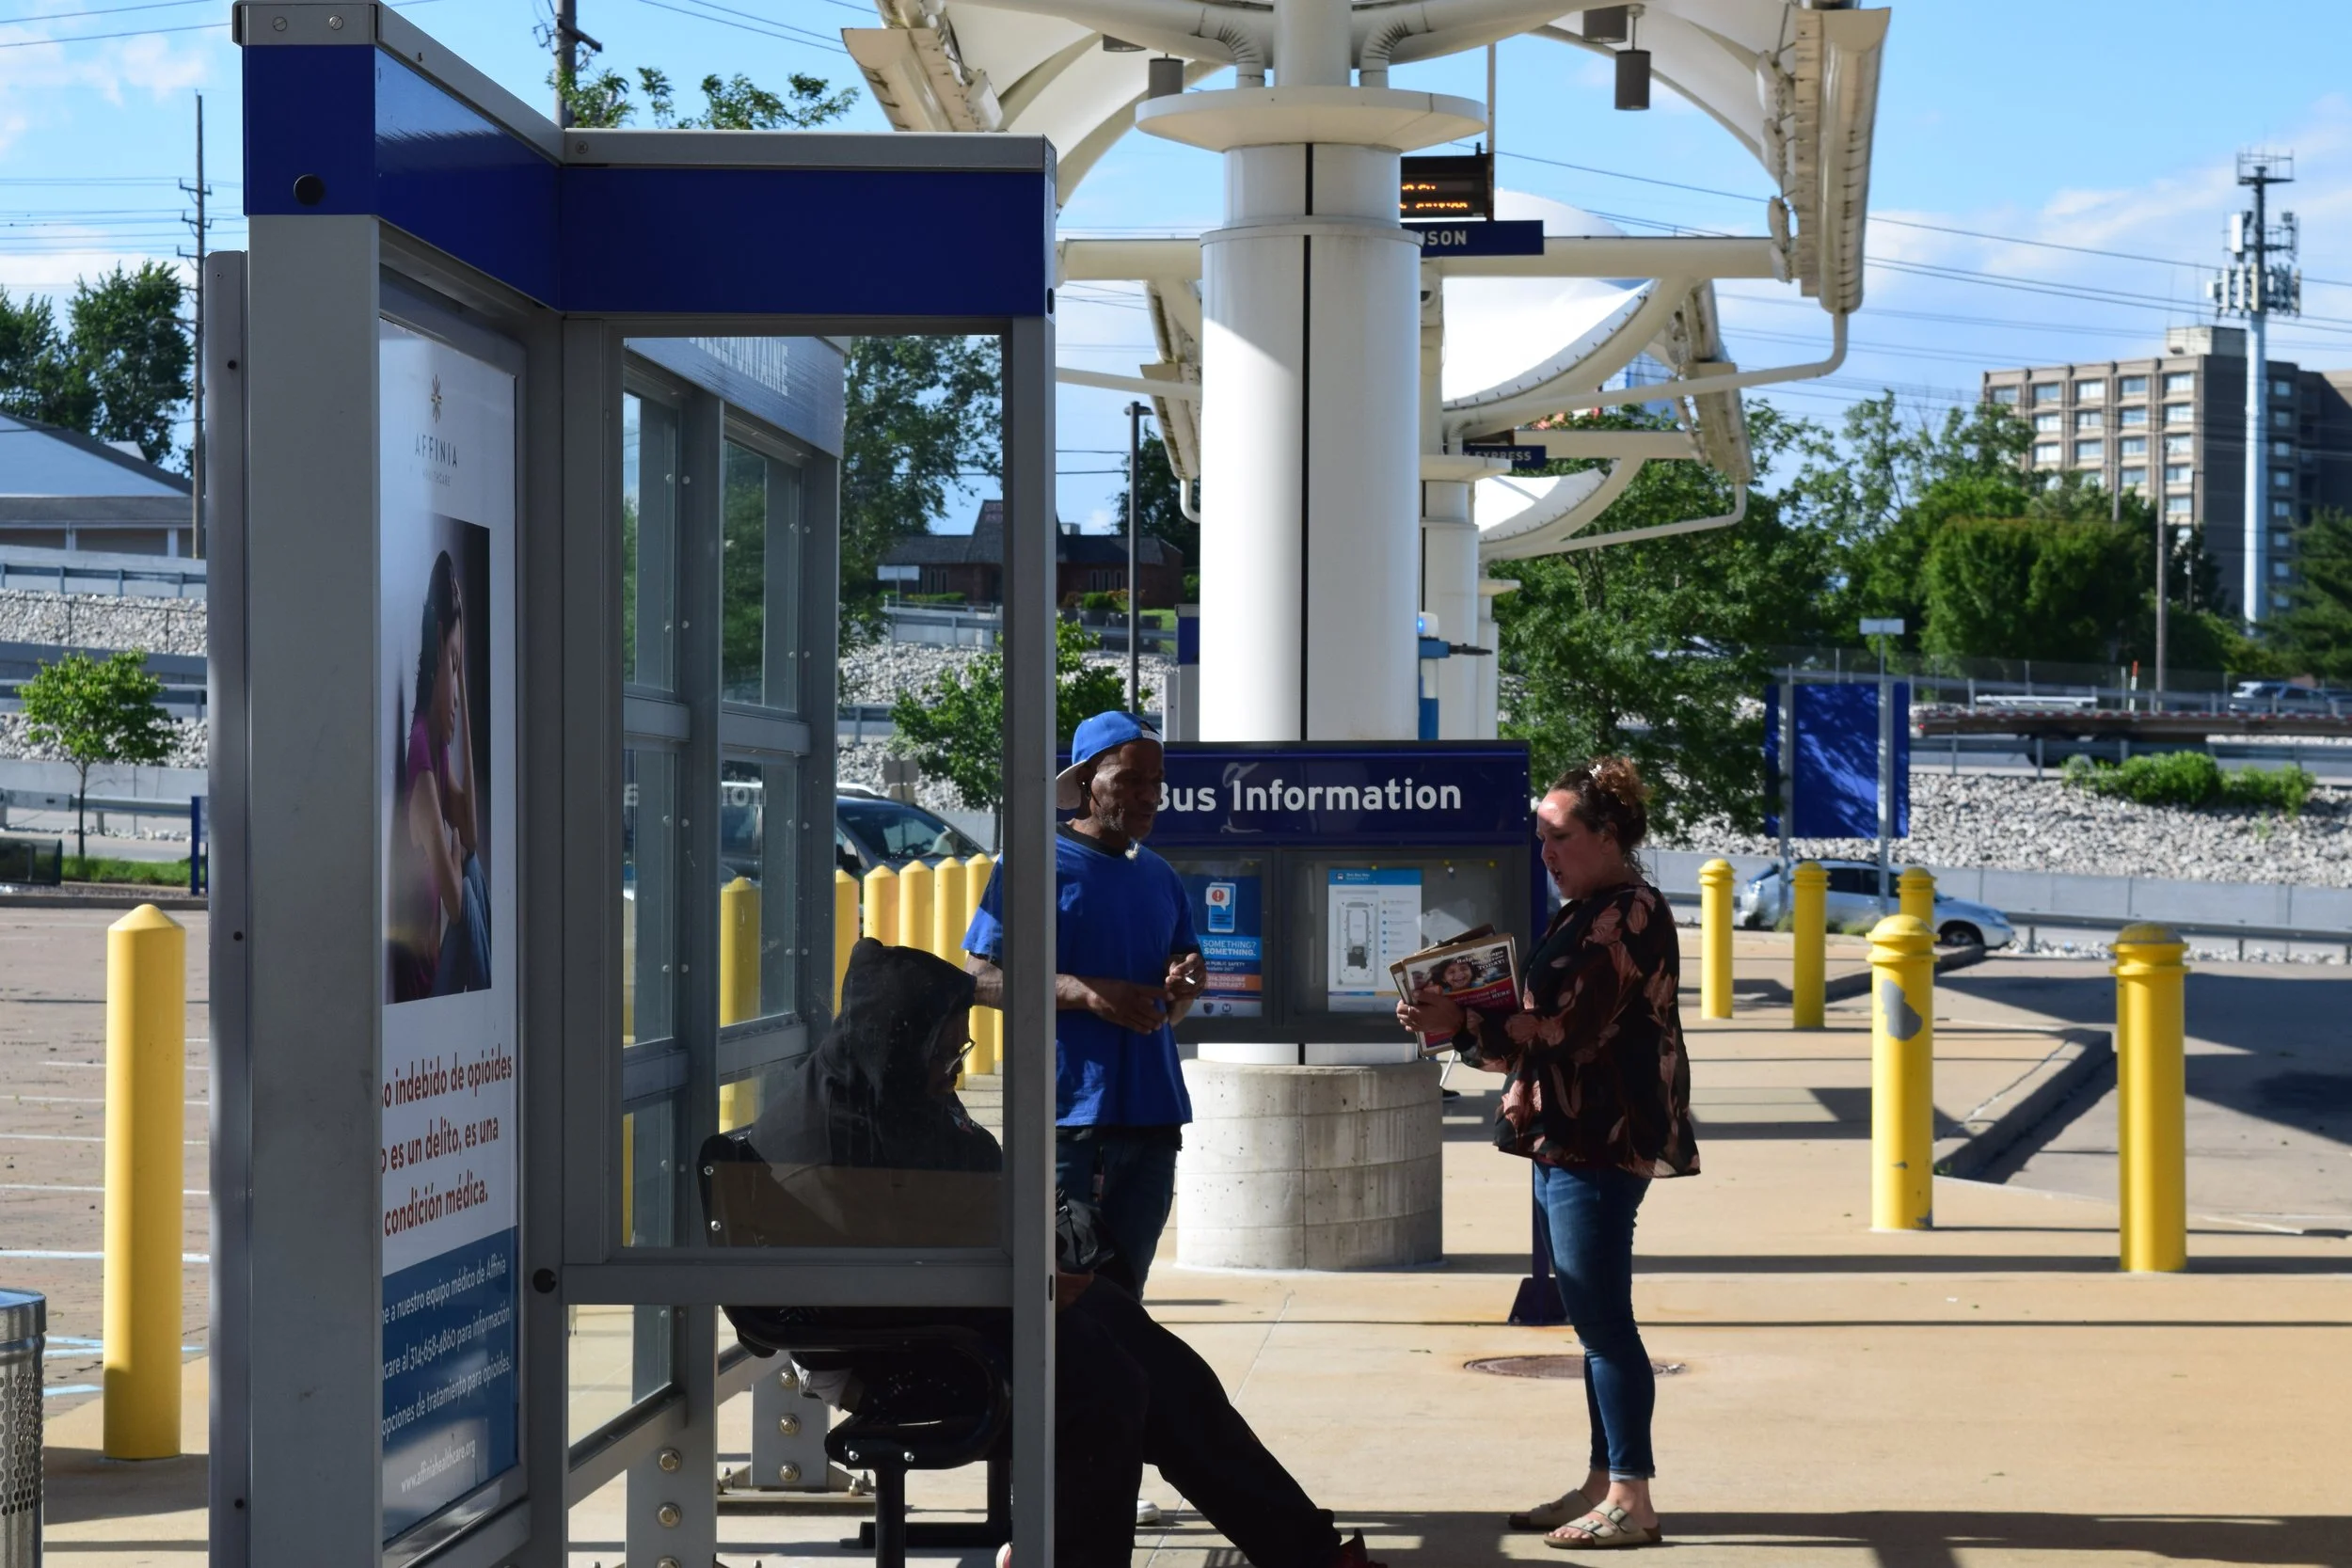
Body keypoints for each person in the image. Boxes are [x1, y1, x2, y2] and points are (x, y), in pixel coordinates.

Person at [729, 940, 1379, 1568]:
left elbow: (962, 1199)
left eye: (962, 1048)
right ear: (906, 1039)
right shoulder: (826, 1135)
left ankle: (1306, 1551)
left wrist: (1036, 1267)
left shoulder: (889, 1085)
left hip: (966, 1304)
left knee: (1162, 1365)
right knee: (1107, 1386)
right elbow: (869, 1281)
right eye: (949, 1050)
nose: (955, 1064)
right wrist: (1019, 1284)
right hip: (902, 1344)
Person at [1397, 758, 1698, 1552]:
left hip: (1598, 1139)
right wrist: (1454, 1019)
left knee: (1604, 1325)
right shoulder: (1593, 908)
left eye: (1560, 836)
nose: (1546, 852)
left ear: (1608, 835)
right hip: (1570, 1134)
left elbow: (1563, 1031)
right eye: (1540, 837)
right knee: (1596, 1323)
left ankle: (1631, 1495)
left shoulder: (1622, 917)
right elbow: (1539, 1038)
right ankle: (1605, 1481)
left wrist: (1460, 1021)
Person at [963, 711, 1206, 1293]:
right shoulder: (1034, 863)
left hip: (1153, 1120)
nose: (1148, 796)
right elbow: (978, 978)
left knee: (1125, 1300)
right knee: (1063, 1299)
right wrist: (1084, 993)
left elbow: (1173, 1011)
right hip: (1069, 1123)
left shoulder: (1162, 878)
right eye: (1130, 780)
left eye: (1157, 782)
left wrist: (1183, 988)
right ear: (1087, 780)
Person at [396, 551, 489, 1001]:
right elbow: (455, 905)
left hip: (441, 968)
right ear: (436, 643)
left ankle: (494, 1002)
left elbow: (468, 832)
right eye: (453, 662)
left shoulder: (438, 746)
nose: (456, 682)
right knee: (468, 891)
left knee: (470, 866)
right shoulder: (420, 758)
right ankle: (495, 1007)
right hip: (426, 989)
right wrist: (453, 861)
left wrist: (463, 687)